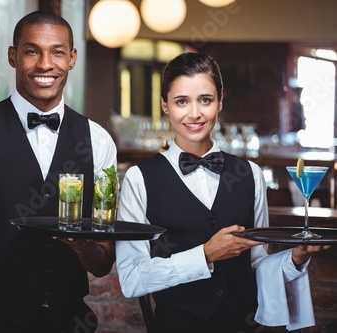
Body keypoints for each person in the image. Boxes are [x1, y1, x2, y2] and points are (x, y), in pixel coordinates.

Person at [0, 10, 117, 333]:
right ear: (13, 56)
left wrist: (84, 247)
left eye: (57, 51)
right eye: (32, 51)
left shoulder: (98, 142)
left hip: (71, 321)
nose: (45, 64)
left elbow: (102, 264)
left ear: (71, 59)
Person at [115, 52, 329, 333]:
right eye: (182, 101)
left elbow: (257, 265)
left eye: (205, 100)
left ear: (220, 102)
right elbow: (132, 279)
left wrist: (295, 259)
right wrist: (205, 254)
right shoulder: (139, 178)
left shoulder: (249, 173)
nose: (194, 114)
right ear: (165, 105)